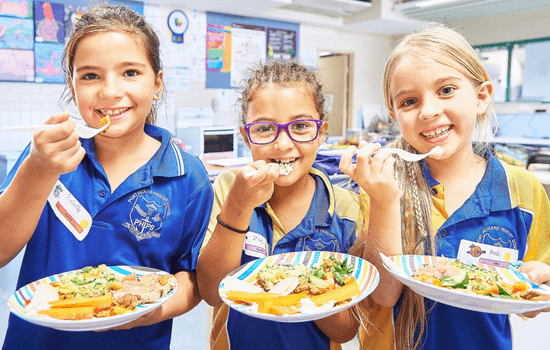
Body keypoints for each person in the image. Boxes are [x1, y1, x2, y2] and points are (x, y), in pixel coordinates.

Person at [0, 6, 213, 350]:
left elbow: (194, 281)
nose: (110, 91)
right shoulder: (47, 155)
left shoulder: (188, 176)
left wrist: (155, 311)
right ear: (72, 86)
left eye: (130, 72)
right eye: (90, 76)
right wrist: (38, 171)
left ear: (157, 83)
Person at [339, 24, 550, 350]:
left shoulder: (521, 190)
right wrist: (384, 200)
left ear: (482, 97)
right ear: (395, 115)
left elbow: (535, 297)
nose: (428, 110)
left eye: (447, 90)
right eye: (409, 101)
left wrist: (538, 282)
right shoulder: (378, 185)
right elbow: (383, 294)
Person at [196, 61, 372, 350]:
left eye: (301, 126)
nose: (282, 143)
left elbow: (344, 331)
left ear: (322, 132)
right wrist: (239, 207)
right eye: (265, 128)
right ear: (245, 136)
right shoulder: (229, 188)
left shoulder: (346, 208)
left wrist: (306, 279)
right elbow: (212, 291)